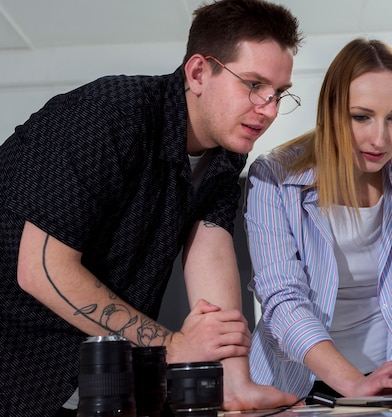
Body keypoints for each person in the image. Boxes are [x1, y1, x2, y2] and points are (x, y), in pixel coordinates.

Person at [0, 0, 304, 415]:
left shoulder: (227, 154)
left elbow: (210, 252)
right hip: (15, 367)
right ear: (199, 73)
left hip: (91, 380)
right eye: (253, 85)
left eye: (278, 93)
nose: (268, 109)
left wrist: (234, 382)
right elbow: (41, 269)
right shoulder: (110, 114)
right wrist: (174, 345)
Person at [244, 38, 392, 400]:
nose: (379, 138)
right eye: (361, 117)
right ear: (331, 111)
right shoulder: (273, 177)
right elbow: (282, 299)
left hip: (385, 372)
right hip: (291, 382)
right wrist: (353, 384)